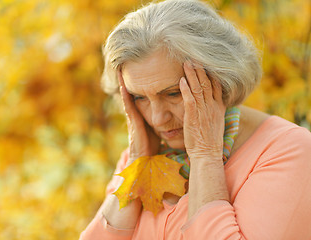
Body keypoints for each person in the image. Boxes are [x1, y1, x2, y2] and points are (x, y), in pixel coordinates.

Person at [80, 0, 311, 239]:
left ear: (220, 78)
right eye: (139, 97)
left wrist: (205, 157)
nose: (157, 118)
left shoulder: (290, 150)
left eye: (173, 93)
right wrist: (138, 161)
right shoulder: (142, 154)